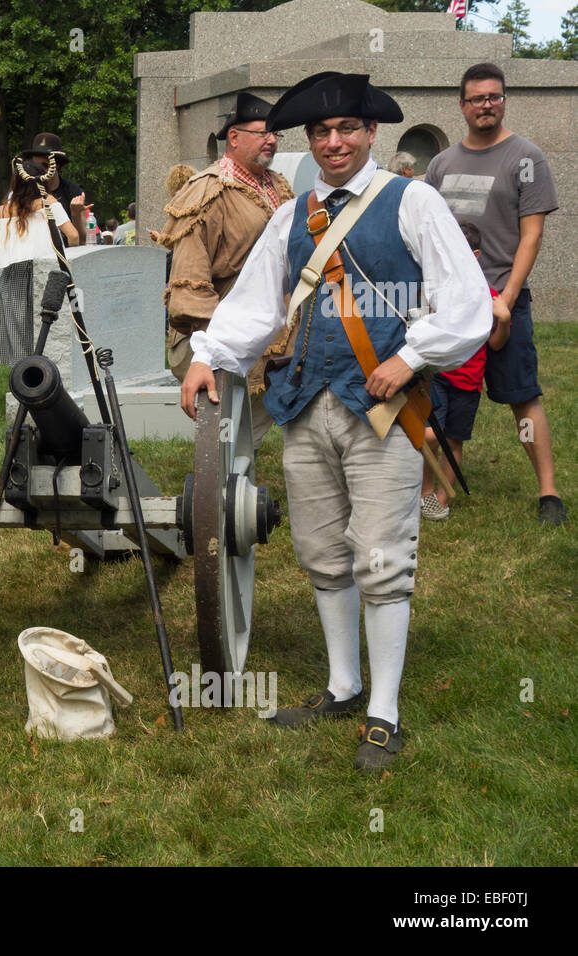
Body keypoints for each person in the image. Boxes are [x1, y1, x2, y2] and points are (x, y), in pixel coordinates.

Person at [180, 73, 491, 771]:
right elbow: (260, 301)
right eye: (321, 132)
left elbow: (465, 302)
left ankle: (385, 711)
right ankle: (343, 685)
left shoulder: (413, 201)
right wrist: (210, 356)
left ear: (371, 133)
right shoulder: (294, 217)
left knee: (380, 555)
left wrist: (409, 357)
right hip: (304, 401)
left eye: (347, 128)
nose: (334, 141)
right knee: (322, 551)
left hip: (384, 409)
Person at [424, 62, 564, 527]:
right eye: (478, 98)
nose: (487, 104)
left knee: (521, 395)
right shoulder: (441, 165)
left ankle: (549, 493)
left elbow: (532, 236)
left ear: (504, 100)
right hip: (450, 304)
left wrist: (506, 297)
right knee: (442, 397)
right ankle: (433, 492)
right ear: (462, 105)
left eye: (495, 96)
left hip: (504, 300)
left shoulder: (526, 157)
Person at [156, 92, 294, 450]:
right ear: (233, 137)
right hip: (219, 333)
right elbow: (190, 277)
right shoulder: (206, 191)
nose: (272, 140)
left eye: (276, 133)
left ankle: (237, 482)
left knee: (246, 437)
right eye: (263, 132)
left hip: (271, 331)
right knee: (224, 441)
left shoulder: (277, 186)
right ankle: (224, 490)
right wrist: (211, 346)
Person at [420, 222, 510, 521]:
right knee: (431, 436)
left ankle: (442, 501)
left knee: (454, 441)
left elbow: (496, 344)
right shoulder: (435, 290)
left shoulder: (489, 296)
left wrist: (505, 320)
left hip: (468, 384)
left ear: (474, 255)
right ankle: (424, 492)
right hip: (439, 376)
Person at [0, 157, 80, 270]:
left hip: (11, 276)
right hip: (45, 270)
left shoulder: (1, 211)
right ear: (42, 180)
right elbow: (73, 236)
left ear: (15, 182)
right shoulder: (48, 203)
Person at [21, 132, 90, 244]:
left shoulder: (74, 191)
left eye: (44, 165)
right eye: (35, 166)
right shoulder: (25, 192)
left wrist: (76, 215)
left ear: (56, 164)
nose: (39, 171)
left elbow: (82, 241)